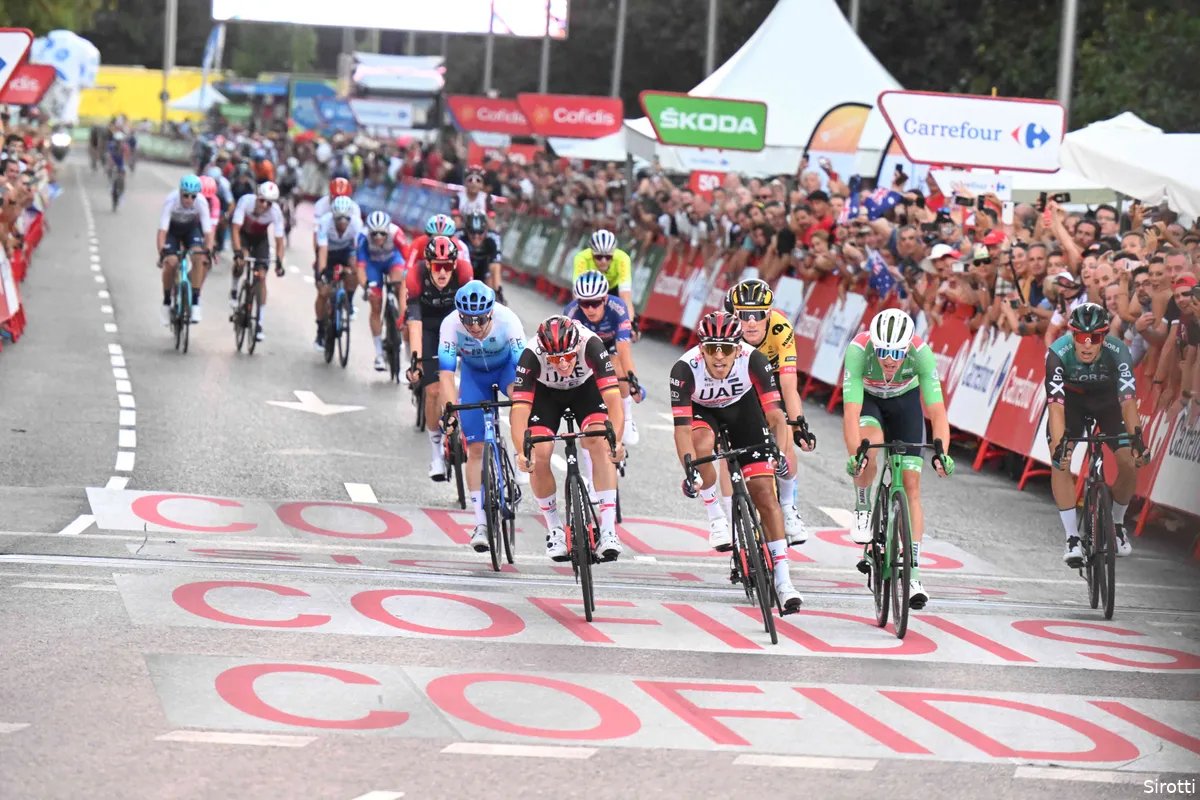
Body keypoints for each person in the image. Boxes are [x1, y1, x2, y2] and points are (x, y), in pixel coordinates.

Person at [669, 311, 803, 611]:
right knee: (702, 445)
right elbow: (682, 431)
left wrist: (779, 452)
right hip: (703, 413)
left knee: (765, 493)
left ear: (738, 348)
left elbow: (775, 415)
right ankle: (715, 514)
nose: (719, 356)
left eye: (727, 349)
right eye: (711, 348)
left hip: (743, 410)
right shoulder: (684, 370)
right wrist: (690, 470)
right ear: (701, 348)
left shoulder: (754, 360)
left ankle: (784, 581)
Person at [841, 308, 954, 610]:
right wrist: (855, 455)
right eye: (882, 352)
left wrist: (942, 453)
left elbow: (937, 411)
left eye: (896, 353)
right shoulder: (858, 351)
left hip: (905, 403)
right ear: (873, 346)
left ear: (907, 348)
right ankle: (863, 505)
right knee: (870, 447)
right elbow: (851, 413)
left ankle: (913, 573)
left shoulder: (922, 354)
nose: (889, 359)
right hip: (869, 401)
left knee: (911, 485)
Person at [509, 315, 626, 562]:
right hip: (547, 395)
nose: (562, 364)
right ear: (544, 353)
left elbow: (614, 401)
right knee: (538, 454)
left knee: (600, 442)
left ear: (577, 347)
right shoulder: (531, 355)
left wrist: (616, 442)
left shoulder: (591, 344)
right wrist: (522, 452)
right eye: (554, 359)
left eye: (568, 356)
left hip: (586, 390)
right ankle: (554, 529)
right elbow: (519, 411)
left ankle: (608, 530)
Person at [1046, 303, 1149, 565]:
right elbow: (1056, 408)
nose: (1087, 344)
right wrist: (1059, 447)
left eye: (1095, 338)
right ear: (1072, 335)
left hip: (1108, 403)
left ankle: (1117, 524)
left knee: (1129, 461)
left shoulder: (1119, 352)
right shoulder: (1057, 353)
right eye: (1081, 337)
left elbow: (1128, 402)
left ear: (1104, 338)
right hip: (1071, 405)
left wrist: (1137, 441)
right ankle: (1072, 537)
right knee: (1060, 460)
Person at [437, 281, 528, 551]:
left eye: (480, 319)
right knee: (475, 448)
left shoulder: (508, 320)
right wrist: (449, 411)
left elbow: (524, 369)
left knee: (520, 399)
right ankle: (480, 524)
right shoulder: (450, 325)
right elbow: (446, 375)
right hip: (474, 376)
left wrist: (526, 404)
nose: (474, 326)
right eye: (468, 320)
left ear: (491, 313)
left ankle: (519, 452)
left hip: (506, 369)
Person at [725, 279, 812, 545]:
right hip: (740, 383)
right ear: (734, 315)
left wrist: (798, 424)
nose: (751, 323)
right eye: (744, 315)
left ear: (769, 314)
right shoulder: (726, 332)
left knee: (784, 434)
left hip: (772, 380)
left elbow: (788, 384)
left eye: (758, 315)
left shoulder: (781, 328)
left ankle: (788, 507)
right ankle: (730, 517)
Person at [405, 235, 475, 477]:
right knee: (433, 391)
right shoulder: (415, 276)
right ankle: (436, 452)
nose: (442, 272)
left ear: (454, 264)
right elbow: (414, 324)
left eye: (447, 266)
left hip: (456, 324)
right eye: (437, 266)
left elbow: (472, 316)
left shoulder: (464, 273)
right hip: (428, 327)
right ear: (428, 264)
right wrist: (416, 361)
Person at [564, 271, 643, 452]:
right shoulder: (572, 312)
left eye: (595, 303)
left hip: (612, 344)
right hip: (586, 346)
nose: (590, 309)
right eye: (585, 303)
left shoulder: (618, 307)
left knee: (617, 366)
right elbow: (571, 353)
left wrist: (633, 381)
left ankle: (627, 418)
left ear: (605, 299)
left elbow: (624, 351)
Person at [230, 181, 286, 342]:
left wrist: (279, 263)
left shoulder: (275, 212)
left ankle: (259, 322)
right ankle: (234, 290)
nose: (265, 205)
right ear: (257, 197)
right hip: (244, 235)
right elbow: (235, 229)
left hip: (260, 240)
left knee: (261, 277)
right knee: (241, 260)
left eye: (269, 203)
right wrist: (238, 252)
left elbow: (279, 242)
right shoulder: (245, 201)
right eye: (262, 200)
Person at [156, 174, 214, 326]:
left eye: (193, 196)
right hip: (173, 230)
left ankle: (195, 302)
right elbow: (162, 231)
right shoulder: (171, 200)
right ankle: (166, 303)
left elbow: (208, 232)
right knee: (171, 262)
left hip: (190, 229)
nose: (189, 199)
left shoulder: (201, 202)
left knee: (200, 258)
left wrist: (208, 250)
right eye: (185, 195)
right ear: (180, 192)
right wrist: (162, 252)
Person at [357, 211, 409, 370]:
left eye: (382, 234)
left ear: (388, 230)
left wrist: (406, 283)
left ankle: (401, 314)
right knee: (375, 303)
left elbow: (408, 259)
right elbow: (360, 268)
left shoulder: (396, 233)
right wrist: (366, 286)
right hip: (374, 265)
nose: (378, 237)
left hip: (393, 261)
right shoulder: (363, 237)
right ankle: (379, 354)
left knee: (400, 284)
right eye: (374, 234)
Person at [313, 196, 362, 350]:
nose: (342, 222)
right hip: (328, 253)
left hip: (345, 251)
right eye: (338, 219)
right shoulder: (325, 222)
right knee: (323, 292)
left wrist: (355, 269)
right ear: (333, 216)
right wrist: (322, 272)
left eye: (345, 218)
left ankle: (348, 300)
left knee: (355, 271)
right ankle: (320, 331)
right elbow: (322, 251)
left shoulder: (356, 224)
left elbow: (358, 251)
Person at [573, 229, 636, 336]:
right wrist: (577, 320)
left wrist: (630, 323)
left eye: (608, 257)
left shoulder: (623, 258)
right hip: (591, 290)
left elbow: (625, 296)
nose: (603, 261)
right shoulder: (581, 258)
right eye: (598, 257)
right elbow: (578, 294)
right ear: (592, 253)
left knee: (625, 322)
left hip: (614, 289)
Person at [464, 212, 503, 294]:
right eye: (472, 232)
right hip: (463, 277)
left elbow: (495, 268)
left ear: (485, 231)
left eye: (480, 232)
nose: (476, 236)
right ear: (467, 231)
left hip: (482, 278)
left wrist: (498, 292)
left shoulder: (490, 243)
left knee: (495, 268)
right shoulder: (462, 240)